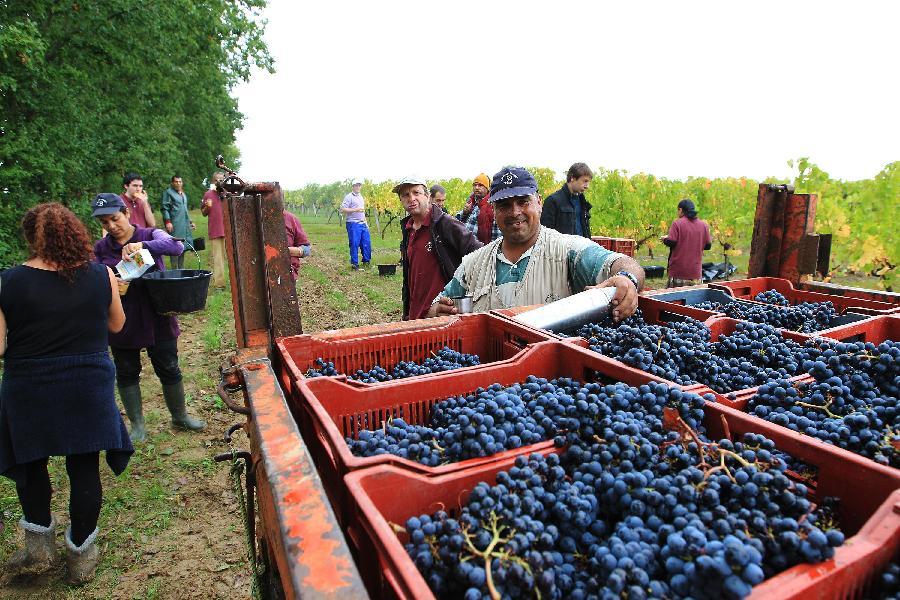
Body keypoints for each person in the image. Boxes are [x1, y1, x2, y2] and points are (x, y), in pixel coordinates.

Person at [0, 203, 132, 584]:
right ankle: (81, 557)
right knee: (83, 466)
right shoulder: (102, 275)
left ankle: (39, 550)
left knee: (31, 464)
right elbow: (117, 325)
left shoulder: (7, 281)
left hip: (28, 386)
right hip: (86, 383)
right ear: (76, 233)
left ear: (30, 238)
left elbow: (0, 346)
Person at [429, 167, 644, 320]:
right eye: (504, 205)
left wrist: (628, 279)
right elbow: (436, 308)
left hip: (549, 383)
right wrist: (437, 311)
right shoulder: (473, 264)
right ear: (494, 211)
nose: (515, 212)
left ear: (539, 203)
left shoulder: (567, 251)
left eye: (523, 202)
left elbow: (623, 263)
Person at [92, 194, 206, 443]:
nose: (111, 226)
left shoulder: (150, 234)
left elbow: (175, 246)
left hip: (158, 316)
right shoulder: (101, 249)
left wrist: (143, 247)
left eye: (115, 218)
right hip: (122, 319)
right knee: (126, 371)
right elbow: (93, 277)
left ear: (126, 213)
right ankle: (137, 426)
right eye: (104, 222)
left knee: (168, 366)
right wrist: (111, 280)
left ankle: (180, 417)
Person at [395, 177, 482, 320]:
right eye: (405, 195)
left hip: (440, 315)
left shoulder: (445, 224)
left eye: (416, 193)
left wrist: (460, 297)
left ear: (427, 196)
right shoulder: (408, 228)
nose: (411, 198)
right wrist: (407, 312)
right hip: (416, 316)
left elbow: (480, 255)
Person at [661, 198, 712, 287]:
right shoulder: (703, 225)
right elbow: (708, 246)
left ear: (681, 210)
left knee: (675, 300)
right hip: (696, 273)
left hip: (678, 272)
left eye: (678, 210)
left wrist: (665, 239)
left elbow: (672, 242)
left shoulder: (677, 223)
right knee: (694, 300)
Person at [541, 162, 593, 237]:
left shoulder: (583, 203)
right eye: (585, 181)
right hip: (561, 248)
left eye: (588, 182)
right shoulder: (553, 201)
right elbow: (545, 235)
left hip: (582, 247)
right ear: (572, 178)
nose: (587, 186)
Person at [160, 175, 194, 270]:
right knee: (175, 246)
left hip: (184, 225)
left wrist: (190, 222)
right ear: (172, 183)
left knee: (183, 247)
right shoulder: (168, 193)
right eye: (176, 181)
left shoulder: (183, 194)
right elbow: (164, 208)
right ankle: (174, 270)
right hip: (175, 224)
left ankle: (181, 269)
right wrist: (168, 222)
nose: (178, 183)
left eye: (180, 181)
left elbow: (185, 210)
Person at [456, 173, 500, 243]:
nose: (476, 188)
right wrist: (464, 213)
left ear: (487, 188)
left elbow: (497, 237)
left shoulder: (493, 206)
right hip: (464, 247)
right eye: (474, 185)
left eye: (480, 185)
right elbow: (456, 221)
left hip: (480, 250)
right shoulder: (471, 202)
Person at [201, 171, 228, 287]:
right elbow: (203, 213)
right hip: (216, 231)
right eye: (217, 180)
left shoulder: (228, 194)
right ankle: (219, 284)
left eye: (222, 179)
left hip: (229, 231)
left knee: (232, 258)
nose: (219, 182)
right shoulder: (208, 194)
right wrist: (207, 206)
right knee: (218, 259)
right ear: (213, 181)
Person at [340, 179, 372, 270]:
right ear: (353, 186)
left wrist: (366, 222)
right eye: (356, 185)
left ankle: (366, 261)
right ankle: (355, 264)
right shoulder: (349, 197)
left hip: (362, 223)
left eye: (359, 185)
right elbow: (343, 209)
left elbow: (362, 211)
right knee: (354, 243)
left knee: (366, 242)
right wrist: (355, 210)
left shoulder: (361, 197)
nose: (358, 187)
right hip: (353, 223)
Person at [284, 209, 311, 281]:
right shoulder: (251, 218)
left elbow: (307, 249)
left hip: (287, 276)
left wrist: (290, 251)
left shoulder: (290, 218)